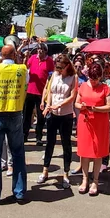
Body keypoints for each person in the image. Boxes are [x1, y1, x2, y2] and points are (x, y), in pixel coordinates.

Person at [0, 44, 28, 205]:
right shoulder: (22, 69)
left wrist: (1, 58)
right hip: (15, 112)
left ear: (2, 55)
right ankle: (20, 192)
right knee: (18, 153)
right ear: (15, 55)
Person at [38, 54, 77, 188]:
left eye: (60, 67)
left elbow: (72, 96)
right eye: (57, 67)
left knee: (66, 144)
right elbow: (50, 92)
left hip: (65, 114)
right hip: (53, 113)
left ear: (67, 66)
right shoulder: (54, 75)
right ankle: (45, 170)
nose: (58, 69)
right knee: (50, 142)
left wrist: (59, 105)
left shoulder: (73, 77)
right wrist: (48, 105)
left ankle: (66, 173)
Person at [75, 62, 110, 196]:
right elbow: (76, 103)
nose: (93, 81)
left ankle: (95, 180)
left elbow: (109, 107)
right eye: (91, 78)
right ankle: (84, 180)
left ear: (100, 77)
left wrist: (96, 109)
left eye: (96, 79)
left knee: (98, 153)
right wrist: (82, 106)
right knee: (84, 152)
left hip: (100, 123)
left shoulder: (105, 88)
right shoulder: (83, 86)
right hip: (85, 122)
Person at [24, 43, 54, 145]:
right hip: (30, 90)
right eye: (38, 49)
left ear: (45, 51)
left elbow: (51, 75)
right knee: (27, 115)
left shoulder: (49, 61)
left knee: (41, 116)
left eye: (41, 49)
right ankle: (24, 134)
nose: (39, 51)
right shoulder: (32, 58)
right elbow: (25, 67)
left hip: (41, 92)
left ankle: (39, 136)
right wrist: (25, 57)